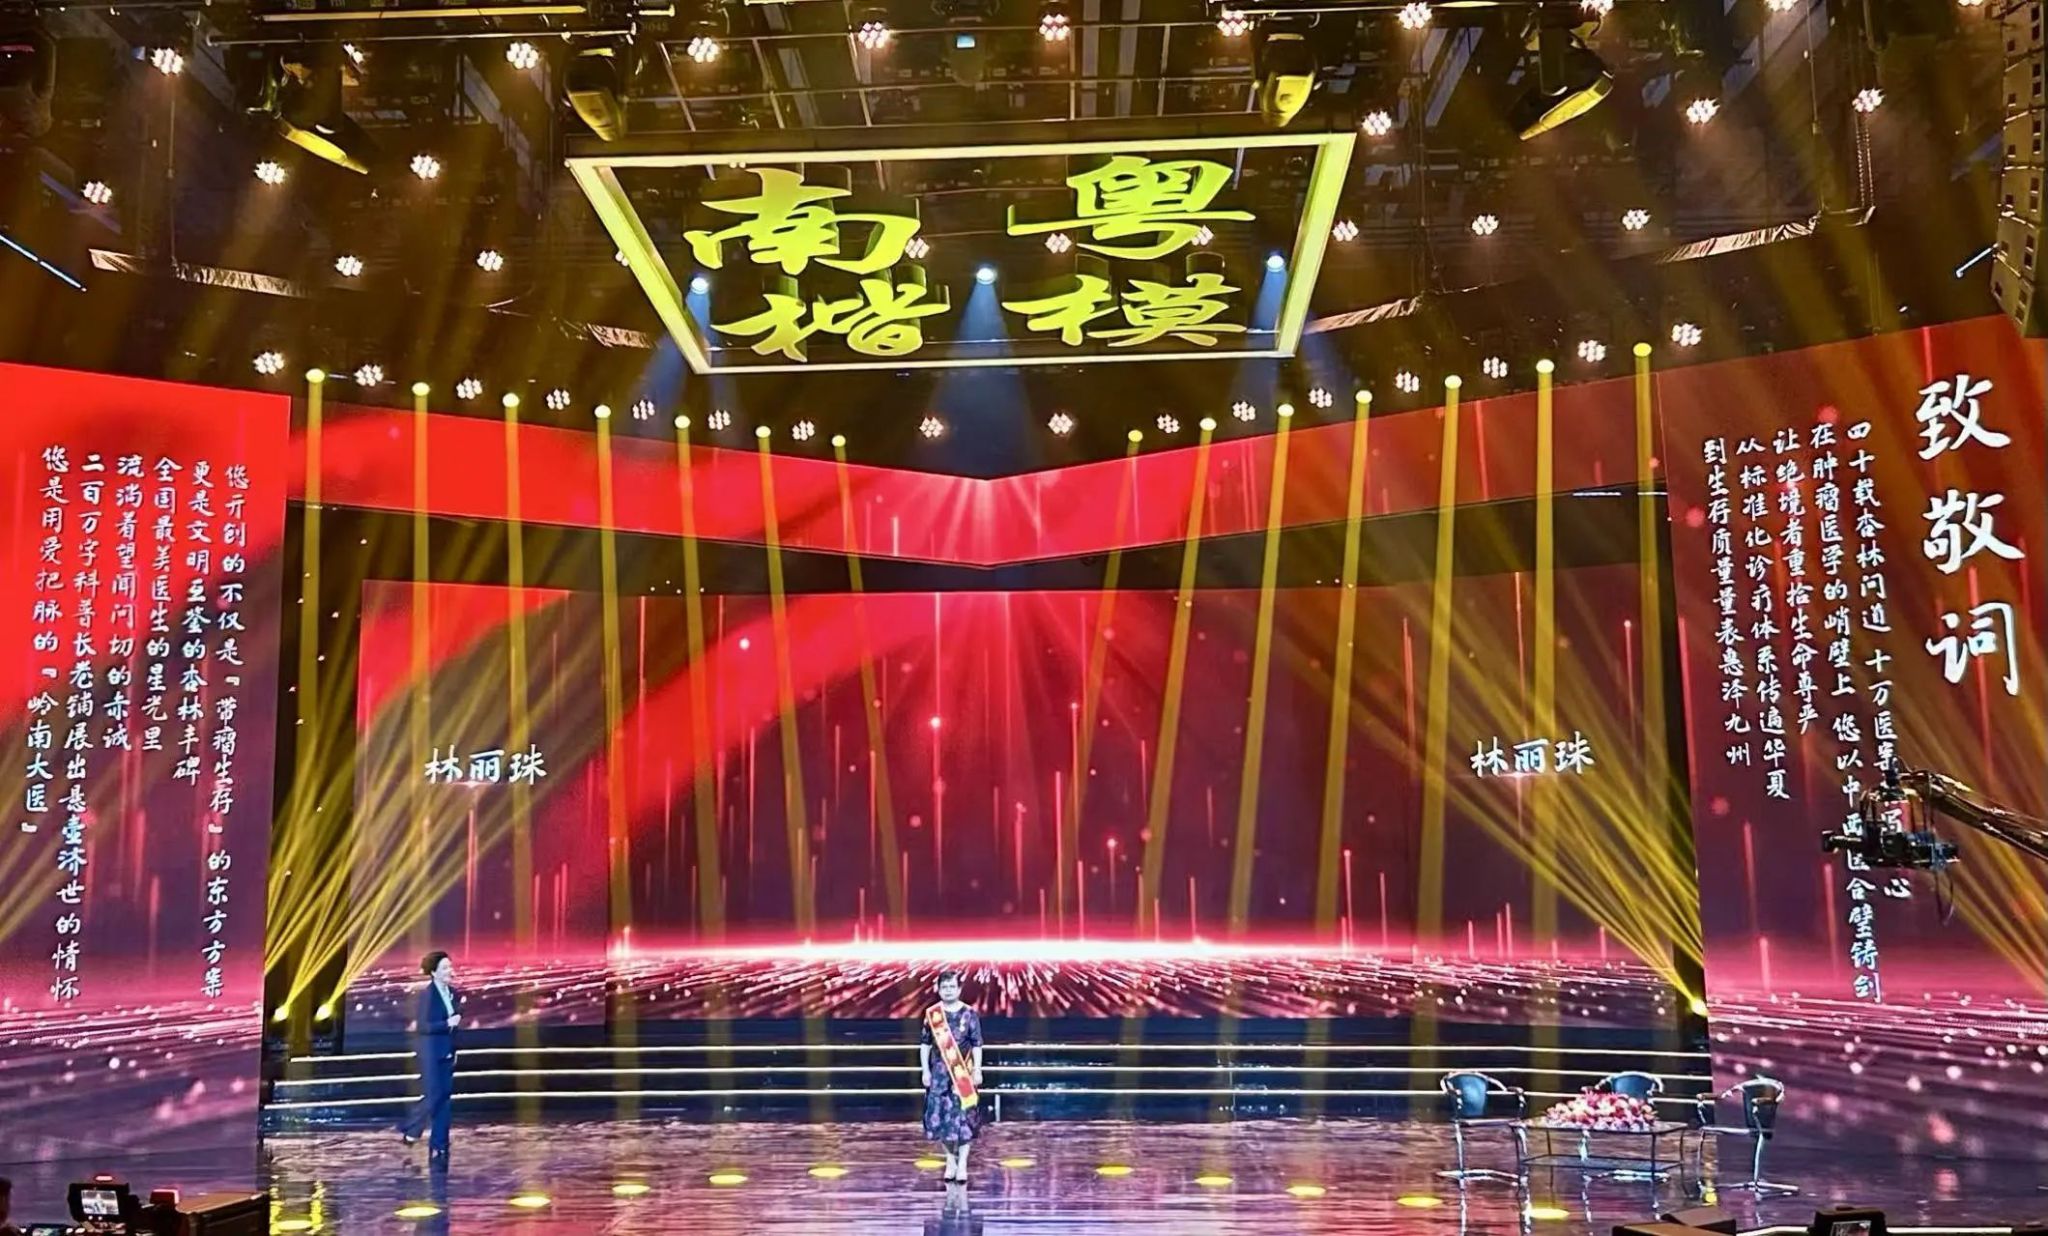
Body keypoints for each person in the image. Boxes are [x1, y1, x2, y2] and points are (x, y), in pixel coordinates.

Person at [918, 970, 985, 1186]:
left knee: (965, 1119)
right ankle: (950, 1160)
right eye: (944, 987)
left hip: (962, 1073)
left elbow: (977, 1044)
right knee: (942, 1119)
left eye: (952, 987)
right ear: (938, 989)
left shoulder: (969, 1013)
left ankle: (963, 1163)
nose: (948, 991)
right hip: (939, 1075)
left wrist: (977, 1071)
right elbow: (925, 1044)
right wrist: (925, 1071)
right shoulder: (932, 1015)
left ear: (959, 989)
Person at [398, 950, 461, 1159]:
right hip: (430, 1052)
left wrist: (454, 1050)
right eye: (444, 967)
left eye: (450, 966)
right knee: (434, 1095)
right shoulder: (427, 995)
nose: (449, 970)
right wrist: (446, 1023)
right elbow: (423, 1026)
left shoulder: (453, 993)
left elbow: (455, 1027)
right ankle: (410, 1129)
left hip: (447, 1051)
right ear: (434, 972)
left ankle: (440, 1144)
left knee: (444, 1098)